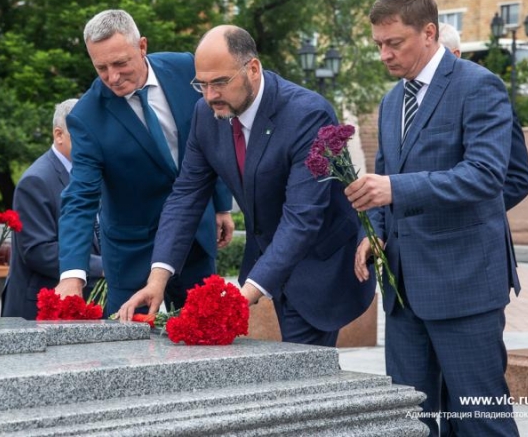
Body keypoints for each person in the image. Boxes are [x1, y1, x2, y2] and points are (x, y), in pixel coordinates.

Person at [117, 25, 375, 347]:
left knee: (300, 382)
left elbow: (302, 217)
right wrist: (157, 280)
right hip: (266, 260)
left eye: (220, 82)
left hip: (316, 267)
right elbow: (186, 195)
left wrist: (243, 297)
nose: (210, 95)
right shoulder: (204, 114)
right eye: (202, 84)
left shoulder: (308, 114)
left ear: (252, 69)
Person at [345, 0, 521, 436]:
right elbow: (384, 179)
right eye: (378, 45)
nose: (385, 54)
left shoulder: (479, 86)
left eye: (394, 43)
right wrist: (375, 233)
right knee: (411, 420)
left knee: (481, 420)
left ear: (428, 32)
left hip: (464, 285)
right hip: (403, 292)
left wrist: (395, 191)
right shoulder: (389, 103)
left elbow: (485, 176)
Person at [56, 9, 235, 316]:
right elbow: (80, 197)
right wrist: (72, 274)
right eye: (101, 68)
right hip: (132, 250)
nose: (112, 76)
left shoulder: (185, 69)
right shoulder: (86, 117)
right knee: (128, 350)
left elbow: (211, 136)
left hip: (193, 236)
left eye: (120, 63)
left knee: (205, 336)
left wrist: (221, 205)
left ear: (142, 47)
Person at [2, 99, 104, 319]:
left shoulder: (90, 174)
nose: (93, 143)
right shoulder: (36, 181)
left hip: (82, 303)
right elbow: (39, 251)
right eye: (84, 136)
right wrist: (105, 266)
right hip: (40, 309)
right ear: (59, 135)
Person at [438, 22, 528, 210]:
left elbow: (520, 179)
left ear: (456, 55)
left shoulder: (487, 96)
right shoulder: (403, 100)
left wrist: (476, 215)